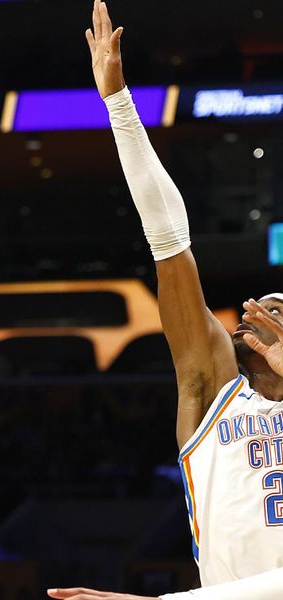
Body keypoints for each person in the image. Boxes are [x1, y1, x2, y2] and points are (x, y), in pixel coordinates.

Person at [47, 1, 283, 598]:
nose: (256, 313)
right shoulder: (214, 398)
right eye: (259, 306)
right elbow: (169, 242)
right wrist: (120, 107)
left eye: (279, 311)